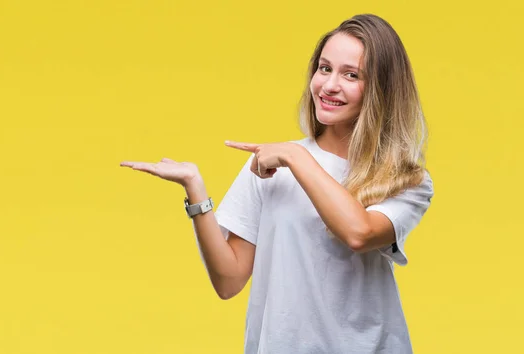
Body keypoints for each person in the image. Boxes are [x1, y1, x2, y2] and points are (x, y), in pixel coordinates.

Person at [121, 13, 434, 354]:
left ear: (380, 89)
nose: (329, 85)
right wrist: (195, 189)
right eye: (324, 68)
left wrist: (296, 157)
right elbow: (229, 280)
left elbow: (358, 232)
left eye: (351, 75)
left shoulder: (405, 180)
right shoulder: (269, 166)